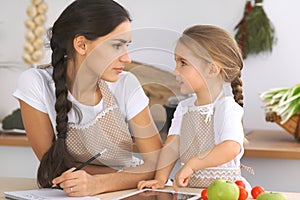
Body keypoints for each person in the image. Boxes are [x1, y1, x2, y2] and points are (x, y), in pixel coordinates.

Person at [13, 0, 162, 196]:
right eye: (117, 46)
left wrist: (100, 183)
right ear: (81, 45)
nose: (127, 58)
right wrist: (124, 175)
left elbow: (158, 162)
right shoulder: (35, 83)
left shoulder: (127, 84)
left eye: (126, 46)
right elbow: (54, 168)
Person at [138, 25, 251, 191]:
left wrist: (193, 164)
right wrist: (160, 179)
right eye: (175, 62)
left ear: (212, 69)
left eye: (183, 63)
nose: (175, 71)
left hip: (226, 193)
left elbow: (230, 147)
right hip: (192, 191)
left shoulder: (227, 108)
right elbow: (172, 147)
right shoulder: (184, 108)